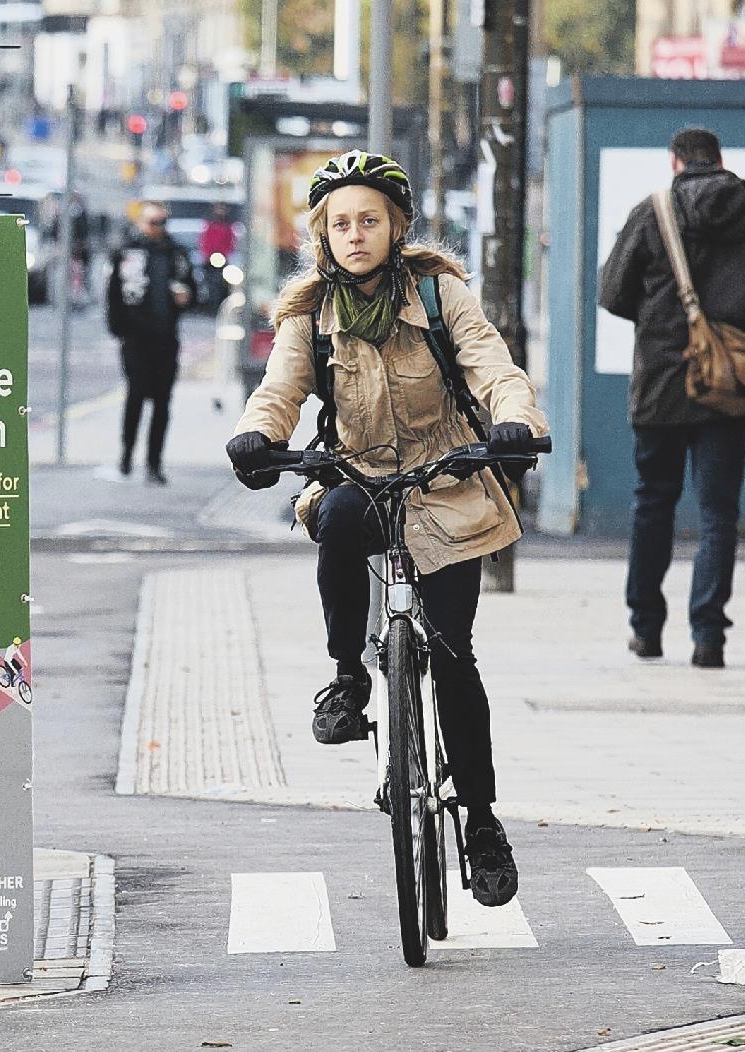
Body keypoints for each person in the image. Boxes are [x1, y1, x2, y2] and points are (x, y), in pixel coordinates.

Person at [224, 150, 549, 908]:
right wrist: (254, 434)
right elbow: (281, 390)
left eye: (370, 219)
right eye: (341, 223)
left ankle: (482, 819)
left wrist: (512, 421)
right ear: (322, 236)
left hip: (447, 485)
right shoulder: (309, 314)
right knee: (335, 515)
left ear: (397, 226)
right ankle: (347, 675)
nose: (356, 233)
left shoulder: (441, 296)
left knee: (454, 652)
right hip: (361, 478)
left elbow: (492, 365)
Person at [599, 126, 745, 669]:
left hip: (662, 382)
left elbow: (612, 291)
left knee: (653, 503)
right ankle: (708, 635)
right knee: (718, 514)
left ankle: (646, 629)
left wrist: (660, 317)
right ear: (719, 160)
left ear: (676, 162)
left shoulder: (653, 211)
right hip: (730, 386)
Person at [106, 201, 198, 484]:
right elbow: (113, 294)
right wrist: (119, 330)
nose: (157, 228)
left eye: (162, 222)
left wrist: (186, 299)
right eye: (152, 222)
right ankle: (125, 457)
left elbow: (193, 290)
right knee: (135, 396)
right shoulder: (127, 252)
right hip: (135, 338)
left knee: (162, 402)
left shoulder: (176, 253)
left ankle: (154, 464)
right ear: (141, 223)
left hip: (165, 338)